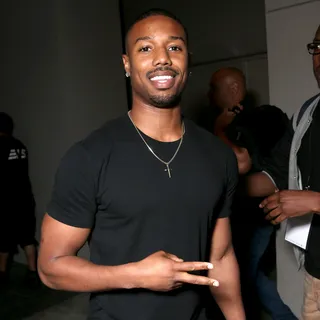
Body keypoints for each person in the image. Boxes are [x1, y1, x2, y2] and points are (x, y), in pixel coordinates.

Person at [38, 9, 245, 320]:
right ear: (126, 64)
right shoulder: (90, 156)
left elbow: (222, 255)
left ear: (187, 60)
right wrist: (137, 275)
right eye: (145, 48)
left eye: (174, 47)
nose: (162, 58)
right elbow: (51, 267)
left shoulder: (219, 155)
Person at [209, 67, 297, 319]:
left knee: (242, 277)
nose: (209, 95)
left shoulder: (263, 117)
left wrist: (219, 129)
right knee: (251, 278)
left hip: (255, 216)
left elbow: (240, 161)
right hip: (235, 214)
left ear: (234, 89)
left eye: (214, 88)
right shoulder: (232, 122)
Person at [246, 24, 320, 320]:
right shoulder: (308, 114)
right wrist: (220, 179)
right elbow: (275, 173)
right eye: (317, 47)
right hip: (316, 277)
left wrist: (313, 201)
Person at [0, 112, 38, 287]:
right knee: (27, 238)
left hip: (6, 201)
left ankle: (2, 273)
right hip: (24, 198)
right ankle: (32, 272)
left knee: (4, 240)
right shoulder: (20, 145)